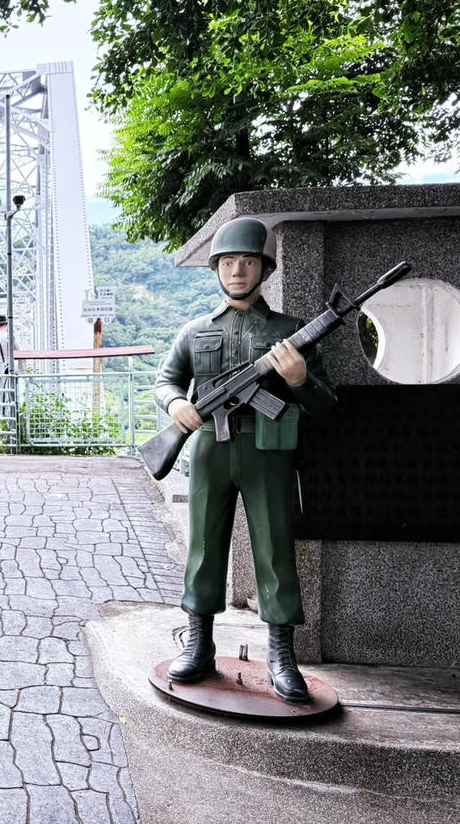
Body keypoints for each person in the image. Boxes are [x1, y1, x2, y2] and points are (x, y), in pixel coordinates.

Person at [154, 216, 336, 703]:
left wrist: (297, 379)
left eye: (248, 262)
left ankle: (281, 654)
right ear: (216, 268)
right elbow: (166, 380)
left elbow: (324, 404)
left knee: (276, 548)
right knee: (203, 547)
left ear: (264, 269)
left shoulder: (291, 332)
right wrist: (177, 406)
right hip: (212, 446)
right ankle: (199, 644)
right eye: (229, 262)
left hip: (269, 449)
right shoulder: (195, 331)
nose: (238, 271)